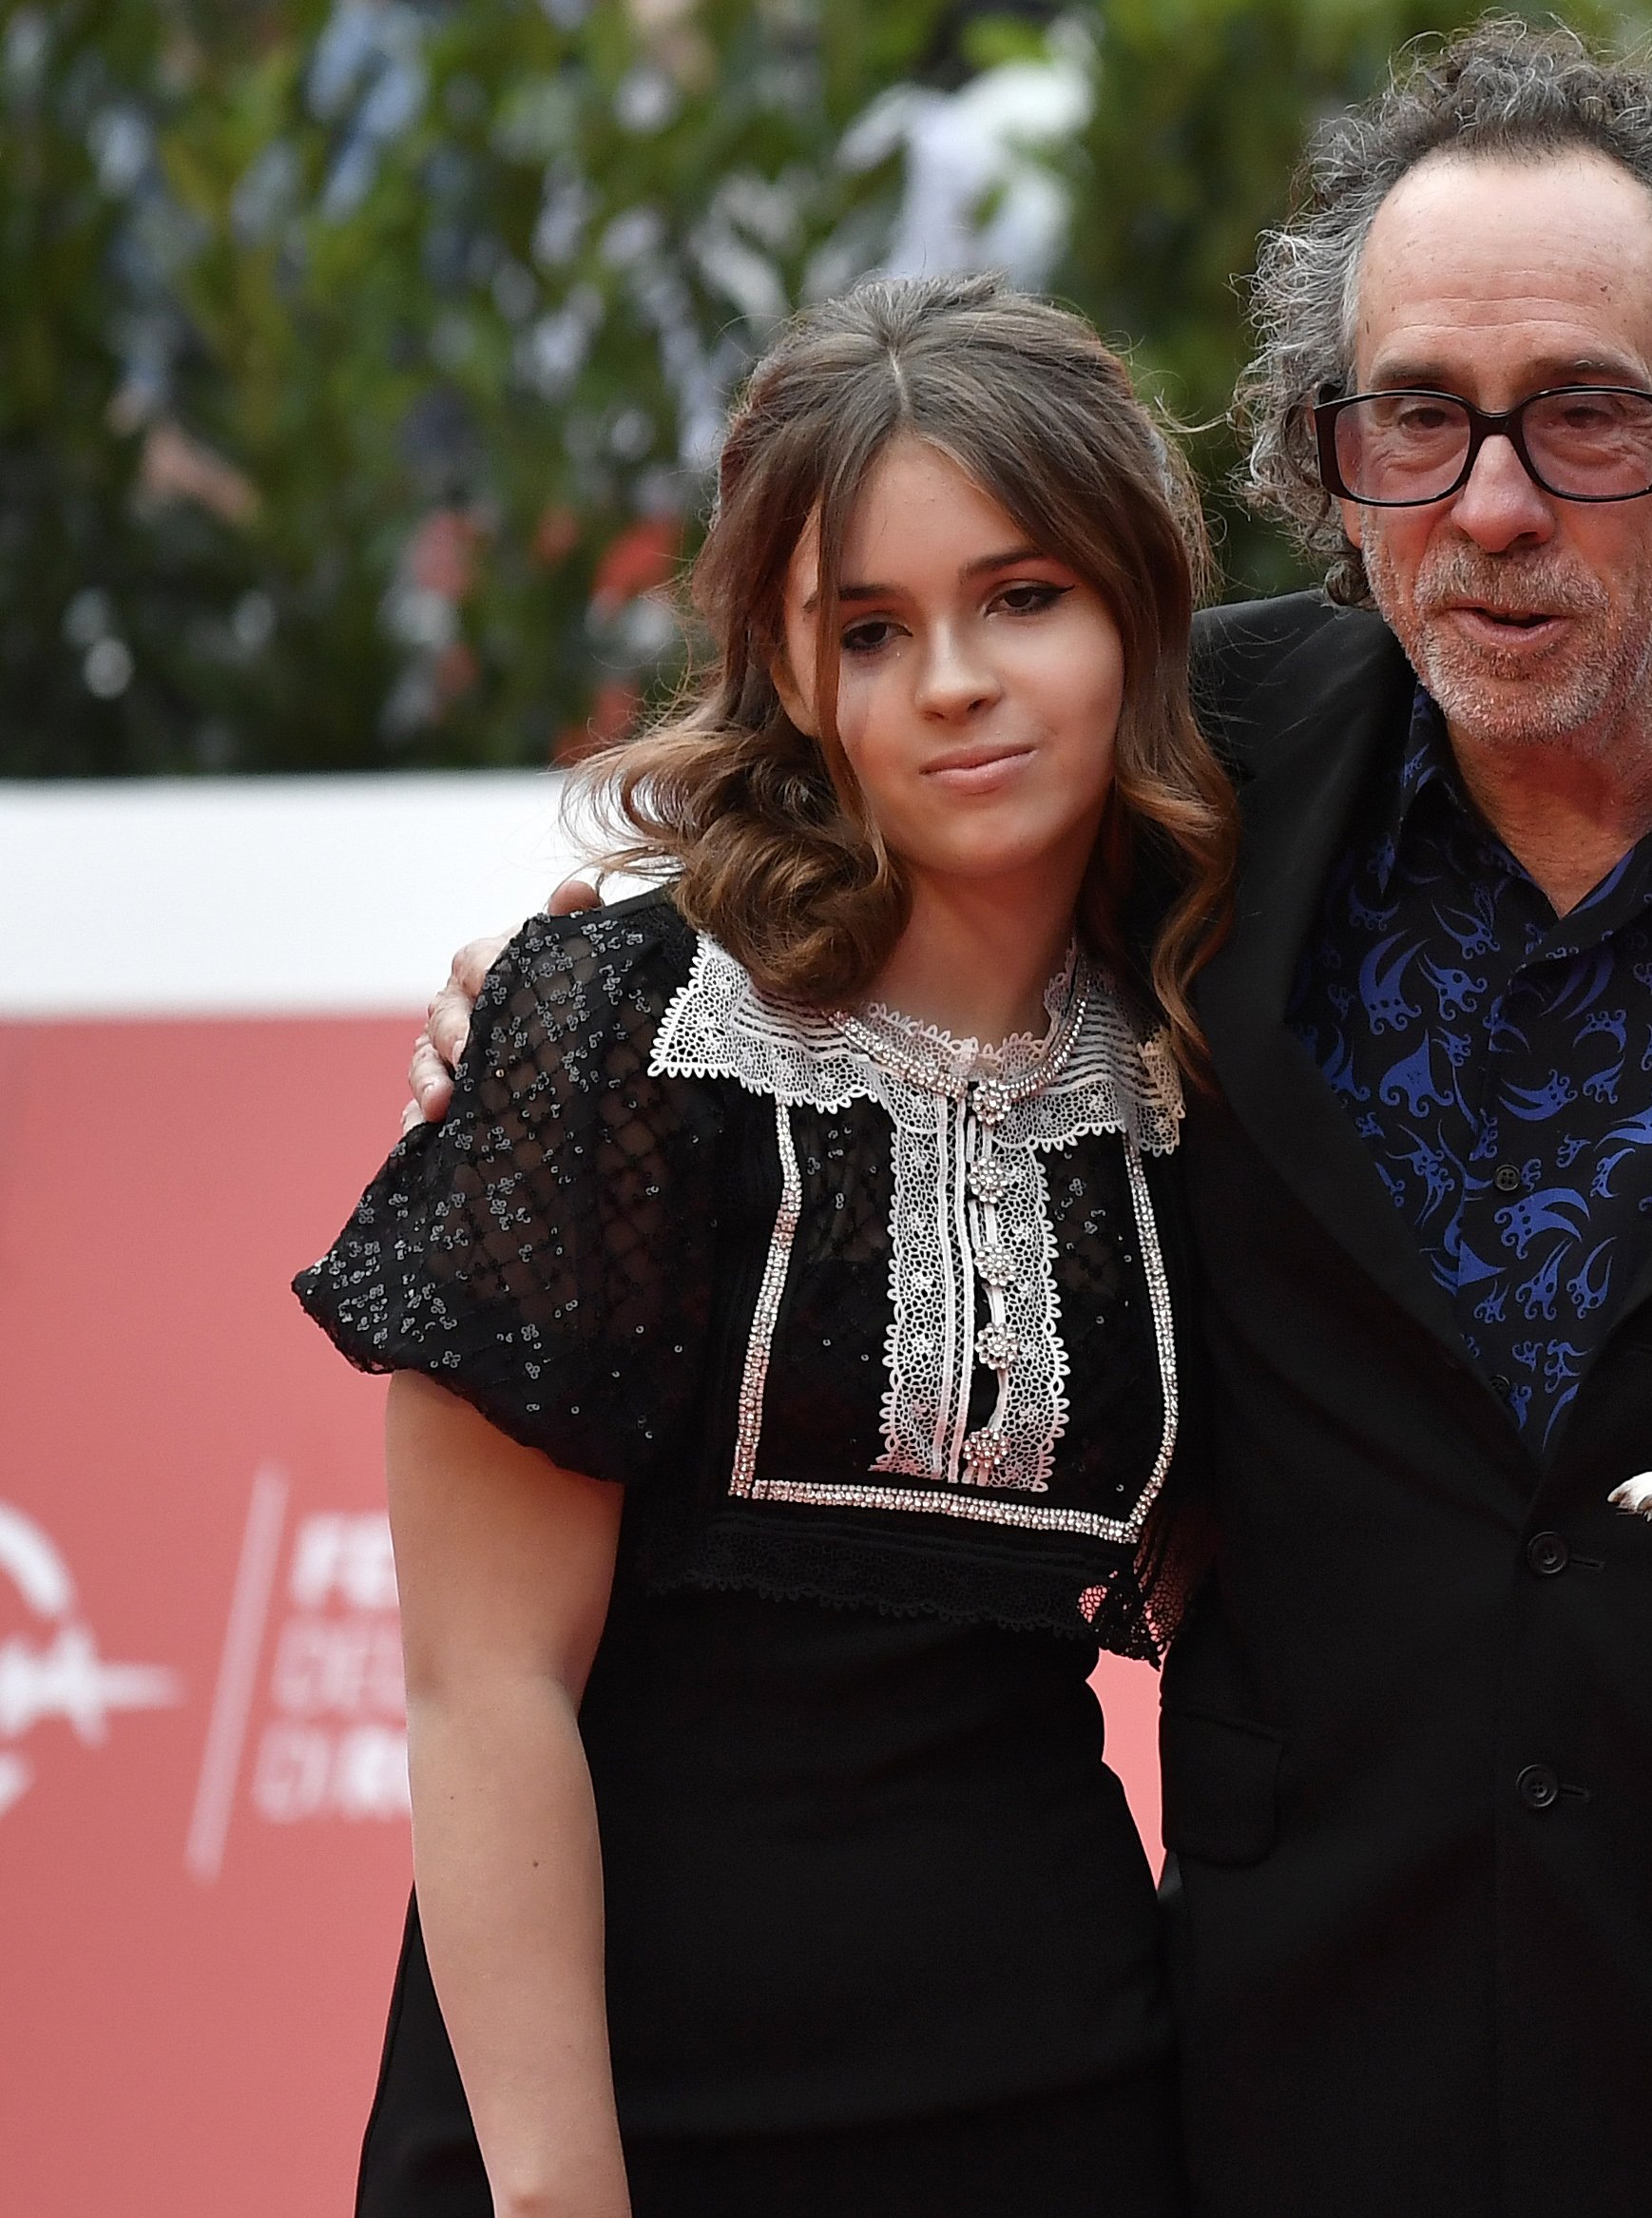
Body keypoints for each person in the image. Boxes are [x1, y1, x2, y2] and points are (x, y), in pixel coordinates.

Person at [413, 26, 1652, 2215]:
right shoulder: (1184, 771)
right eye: (1416, 418)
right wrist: (572, 988)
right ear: (1329, 465)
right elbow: (847, 880)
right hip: (1297, 2076)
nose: (1490, 502)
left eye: (1583, 416)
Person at [308, 274, 1230, 2217]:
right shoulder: (619, 1023)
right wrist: (560, 2194)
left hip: (1064, 2102)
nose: (956, 680)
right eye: (871, 630)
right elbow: (488, 1693)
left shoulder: (1196, 1070)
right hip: (640, 2119)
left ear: (1143, 608)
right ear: (790, 673)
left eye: (1024, 598)